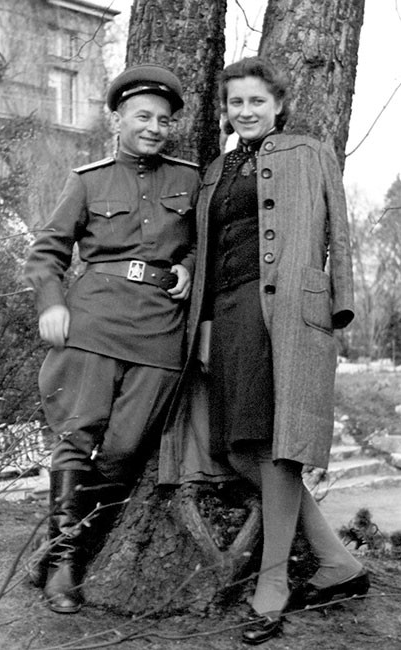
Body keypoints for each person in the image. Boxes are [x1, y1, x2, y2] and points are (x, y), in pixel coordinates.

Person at [159, 56, 369, 645]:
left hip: (287, 315)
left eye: (256, 101)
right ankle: (338, 562)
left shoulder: (310, 153)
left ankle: (272, 584)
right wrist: (202, 319)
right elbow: (208, 247)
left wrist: (338, 306)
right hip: (225, 316)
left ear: (278, 104)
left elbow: (340, 232)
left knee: (276, 444)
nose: (245, 111)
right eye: (236, 102)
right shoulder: (216, 169)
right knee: (237, 449)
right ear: (225, 111)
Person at [23, 63, 199, 614]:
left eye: (163, 120)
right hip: (93, 322)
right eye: (142, 116)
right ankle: (64, 563)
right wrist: (52, 303)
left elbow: (207, 241)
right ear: (117, 119)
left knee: (125, 450)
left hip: (160, 331)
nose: (154, 128)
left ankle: (58, 550)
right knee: (77, 437)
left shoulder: (192, 179)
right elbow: (47, 252)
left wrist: (190, 266)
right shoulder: (88, 180)